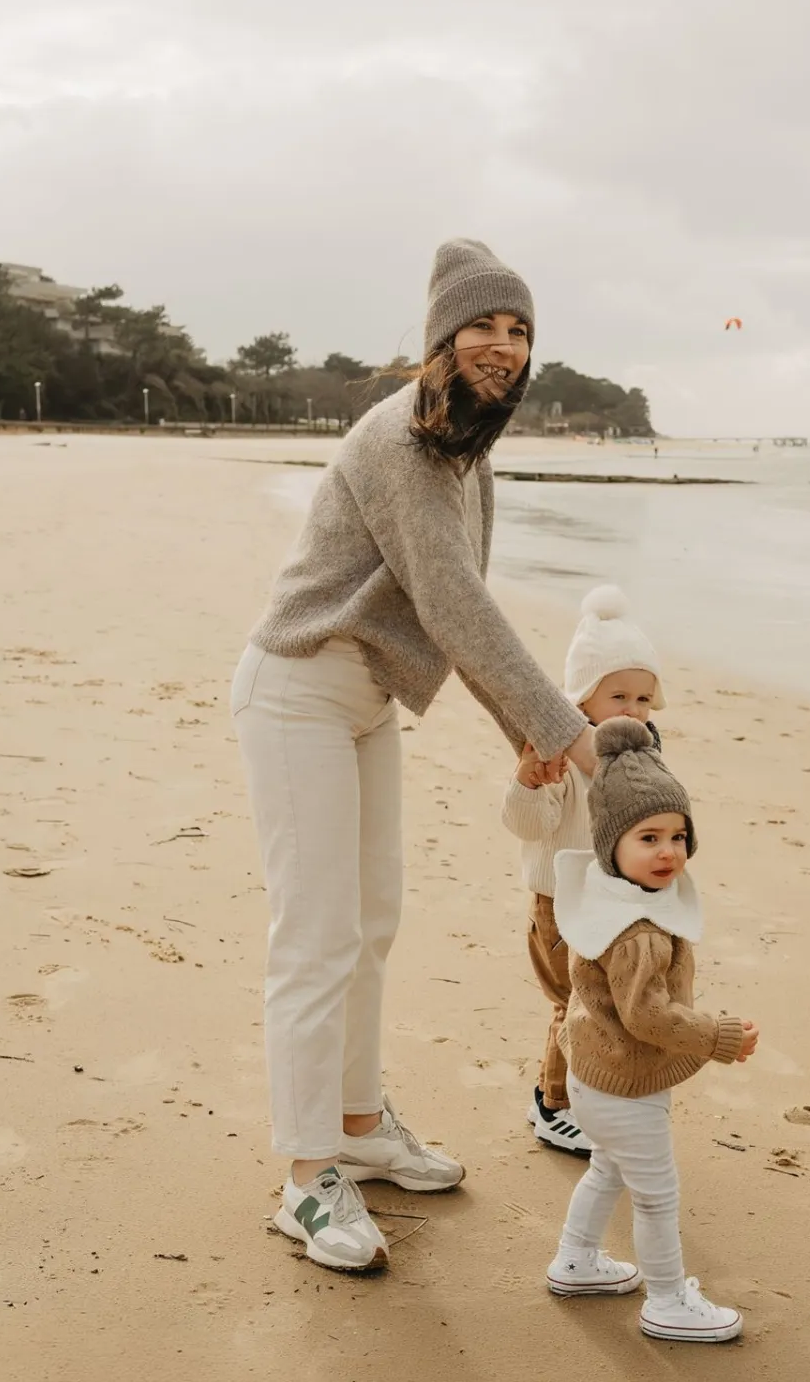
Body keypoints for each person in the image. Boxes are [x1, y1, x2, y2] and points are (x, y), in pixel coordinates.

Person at [233, 239, 597, 1274]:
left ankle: (356, 1125)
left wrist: (525, 739)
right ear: (441, 335)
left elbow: (451, 616)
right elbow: (452, 603)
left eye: (519, 330)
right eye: (484, 324)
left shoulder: (464, 450)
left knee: (373, 924)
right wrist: (564, 732)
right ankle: (307, 1179)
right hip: (298, 692)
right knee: (315, 940)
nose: (503, 344)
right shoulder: (402, 439)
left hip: (363, 703)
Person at [545, 718, 759, 1341]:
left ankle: (576, 1260)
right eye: (648, 838)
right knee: (657, 1195)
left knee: (606, 1169)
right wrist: (718, 1036)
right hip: (624, 1088)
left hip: (595, 1074)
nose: (669, 852)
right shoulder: (637, 932)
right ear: (611, 844)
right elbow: (648, 1016)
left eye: (678, 836)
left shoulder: (608, 897)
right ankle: (667, 1301)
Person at [501, 586, 665, 1157]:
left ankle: (584, 1095)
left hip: (611, 907)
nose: (632, 709)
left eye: (643, 698)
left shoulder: (643, 758)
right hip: (559, 905)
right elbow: (528, 825)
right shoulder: (561, 758)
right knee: (573, 1004)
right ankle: (553, 1105)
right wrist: (529, 782)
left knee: (602, 1006)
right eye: (617, 696)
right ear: (581, 699)